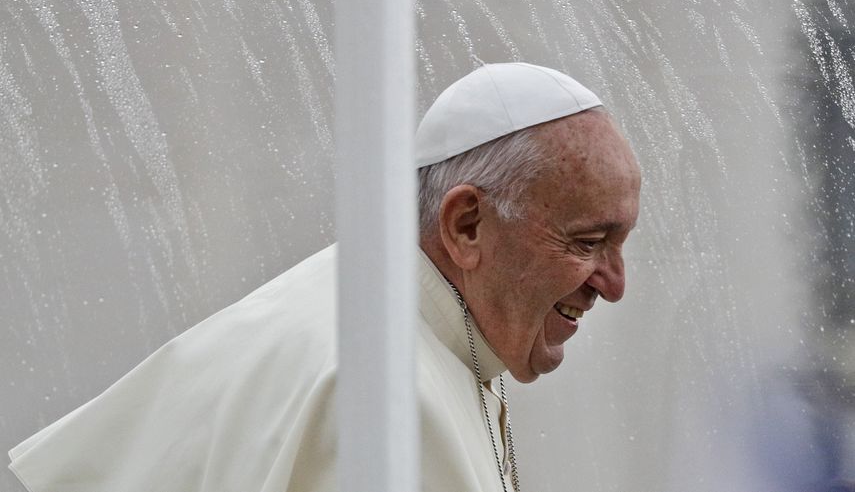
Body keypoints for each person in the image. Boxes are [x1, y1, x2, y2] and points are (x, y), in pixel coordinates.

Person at [8, 62, 640, 492]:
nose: (612, 284)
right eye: (587, 242)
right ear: (467, 225)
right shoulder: (378, 393)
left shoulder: (384, 307)